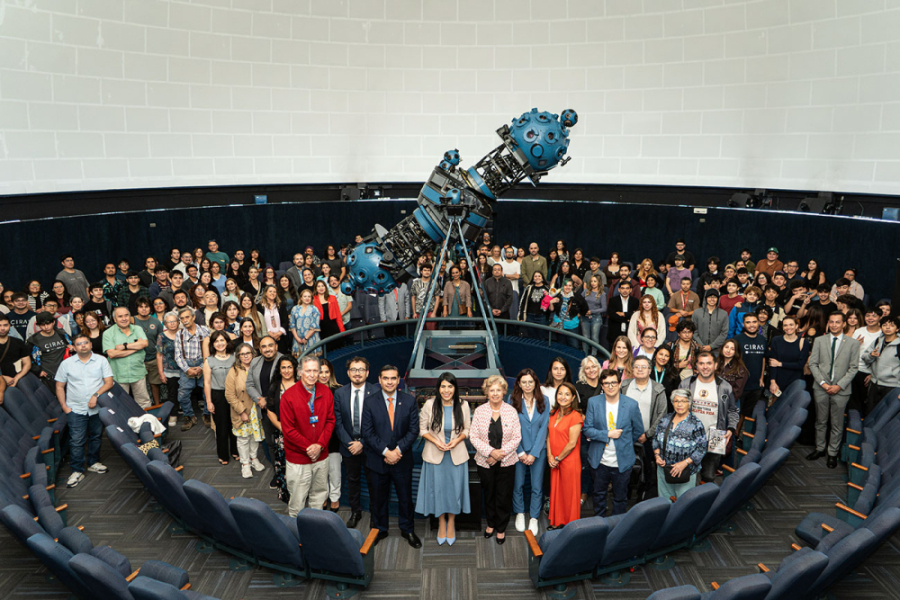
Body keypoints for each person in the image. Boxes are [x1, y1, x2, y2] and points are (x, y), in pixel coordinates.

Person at [361, 365, 422, 548]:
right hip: (377, 460)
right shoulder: (370, 402)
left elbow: (413, 431)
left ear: (398, 381)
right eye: (386, 378)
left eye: (393, 378)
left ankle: (408, 529)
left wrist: (398, 451)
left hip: (402, 460)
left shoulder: (409, 401)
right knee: (378, 498)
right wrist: (386, 452)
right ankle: (380, 529)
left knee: (405, 498)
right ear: (379, 380)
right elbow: (367, 432)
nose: (389, 382)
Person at [416, 372, 471, 545]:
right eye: (443, 386)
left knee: (454, 492)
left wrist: (456, 441)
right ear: (438, 388)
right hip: (435, 454)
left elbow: (467, 430)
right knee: (438, 491)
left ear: (455, 388)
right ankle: (441, 522)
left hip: (456, 455)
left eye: (450, 386)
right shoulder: (430, 405)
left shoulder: (463, 405)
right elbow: (422, 429)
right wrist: (436, 441)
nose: (446, 390)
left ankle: (452, 522)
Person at [54, 335, 114, 488]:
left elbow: (109, 382)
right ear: (73, 347)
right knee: (77, 440)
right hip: (75, 408)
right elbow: (60, 386)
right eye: (78, 344)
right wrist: (64, 406)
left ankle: (93, 462)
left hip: (97, 407)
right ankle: (77, 470)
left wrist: (96, 395)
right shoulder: (66, 364)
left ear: (91, 344)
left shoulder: (101, 360)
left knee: (96, 436)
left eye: (85, 343)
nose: (82, 346)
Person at [583, 369, 644, 516]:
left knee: (620, 498)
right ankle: (600, 525)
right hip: (599, 460)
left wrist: (624, 443)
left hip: (622, 461)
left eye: (613, 383)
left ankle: (617, 528)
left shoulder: (631, 404)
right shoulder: (593, 402)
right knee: (598, 495)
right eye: (606, 383)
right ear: (602, 386)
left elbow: (638, 430)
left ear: (619, 383)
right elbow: (587, 430)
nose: (610, 386)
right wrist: (607, 434)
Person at [470, 375, 521, 544]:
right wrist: (491, 453)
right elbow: (474, 437)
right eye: (491, 390)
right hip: (485, 462)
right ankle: (490, 524)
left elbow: (516, 438)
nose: (495, 393)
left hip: (507, 462)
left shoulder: (511, 411)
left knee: (503, 495)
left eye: (498, 390)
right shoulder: (479, 411)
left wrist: (500, 455)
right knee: (489, 494)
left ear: (504, 392)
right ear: (486, 392)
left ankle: (501, 527)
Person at [807, 311, 860, 468]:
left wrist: (839, 386)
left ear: (844, 324)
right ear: (828, 323)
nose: (834, 325)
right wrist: (823, 383)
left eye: (838, 322)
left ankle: (832, 453)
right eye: (832, 322)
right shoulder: (819, 340)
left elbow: (853, 368)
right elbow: (813, 364)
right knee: (820, 420)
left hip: (841, 390)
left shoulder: (853, 343)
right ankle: (820, 448)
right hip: (820, 387)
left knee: (836, 423)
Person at [333, 357, 380, 529]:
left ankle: (376, 516)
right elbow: (337, 423)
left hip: (370, 447)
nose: (357, 373)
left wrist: (363, 443)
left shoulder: (376, 392)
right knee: (352, 481)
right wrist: (349, 443)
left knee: (373, 482)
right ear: (348, 373)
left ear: (367, 373)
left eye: (361, 369)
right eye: (354, 369)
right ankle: (355, 512)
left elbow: (378, 424)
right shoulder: (340, 393)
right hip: (348, 447)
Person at [679, 352, 739, 482]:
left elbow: (733, 410)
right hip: (690, 435)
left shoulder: (725, 386)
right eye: (701, 363)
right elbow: (677, 409)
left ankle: (706, 501)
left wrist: (731, 429)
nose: (705, 367)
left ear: (715, 365)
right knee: (688, 476)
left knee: (709, 475)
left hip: (716, 436)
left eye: (709, 363)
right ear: (696, 366)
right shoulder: (686, 384)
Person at [621, 356, 667, 499]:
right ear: (632, 369)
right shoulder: (624, 386)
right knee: (624, 469)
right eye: (637, 367)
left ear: (649, 370)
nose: (640, 369)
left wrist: (647, 434)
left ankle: (642, 497)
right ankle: (625, 494)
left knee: (647, 470)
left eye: (644, 367)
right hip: (625, 437)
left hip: (648, 438)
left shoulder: (658, 389)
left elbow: (662, 414)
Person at [511, 368, 549, 537]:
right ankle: (520, 513)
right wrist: (520, 452)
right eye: (524, 382)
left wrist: (533, 453)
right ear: (519, 383)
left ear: (536, 383)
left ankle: (534, 516)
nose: (527, 385)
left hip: (537, 451)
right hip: (517, 450)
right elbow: (511, 428)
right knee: (517, 484)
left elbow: (544, 428)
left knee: (536, 486)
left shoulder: (545, 401)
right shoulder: (512, 400)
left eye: (530, 382)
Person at [653, 389, 707, 499]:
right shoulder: (665, 419)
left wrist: (684, 463)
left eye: (683, 401)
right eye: (676, 401)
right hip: (664, 470)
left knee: (683, 504)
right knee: (664, 502)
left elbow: (702, 448)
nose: (679, 404)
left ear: (689, 403)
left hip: (686, 472)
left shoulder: (696, 423)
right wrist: (657, 456)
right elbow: (655, 439)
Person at [226, 343, 268, 479]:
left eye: (248, 353)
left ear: (253, 354)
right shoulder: (234, 371)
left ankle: (253, 458)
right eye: (242, 354)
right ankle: (245, 464)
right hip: (242, 410)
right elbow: (229, 395)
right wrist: (242, 411)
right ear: (238, 356)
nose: (245, 356)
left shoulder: (258, 367)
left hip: (256, 409)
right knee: (243, 438)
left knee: (255, 437)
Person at [245, 335, 283, 483]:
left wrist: (269, 399)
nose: (267, 349)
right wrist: (259, 399)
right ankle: (278, 472)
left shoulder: (283, 361)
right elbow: (249, 384)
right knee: (271, 442)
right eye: (264, 347)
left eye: (270, 345)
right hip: (265, 409)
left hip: (282, 408)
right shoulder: (255, 362)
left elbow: (289, 383)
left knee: (286, 441)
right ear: (260, 349)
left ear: (276, 346)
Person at [546, 382, 583, 529]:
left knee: (569, 494)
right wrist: (549, 456)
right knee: (557, 492)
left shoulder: (575, 417)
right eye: (560, 393)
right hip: (554, 460)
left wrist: (557, 458)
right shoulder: (554, 413)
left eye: (567, 394)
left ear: (573, 397)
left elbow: (572, 443)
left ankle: (570, 526)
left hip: (568, 461)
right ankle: (557, 522)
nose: (563, 397)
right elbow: (548, 436)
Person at [264, 355, 298, 504]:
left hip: (301, 433)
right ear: (279, 369)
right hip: (282, 433)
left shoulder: (301, 384)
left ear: (295, 368)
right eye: (283, 367)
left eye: (289, 367)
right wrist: (282, 428)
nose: (286, 370)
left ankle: (301, 493)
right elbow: (270, 410)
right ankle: (286, 494)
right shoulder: (275, 386)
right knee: (283, 464)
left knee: (300, 465)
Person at [101, 306, 151, 407]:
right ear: (115, 319)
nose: (124, 319)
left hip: (138, 373)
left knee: (144, 402)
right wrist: (136, 348)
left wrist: (124, 346)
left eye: (126, 315)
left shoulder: (137, 329)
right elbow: (112, 354)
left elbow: (144, 344)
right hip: (119, 375)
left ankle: (146, 422)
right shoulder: (108, 333)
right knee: (120, 404)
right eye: (120, 316)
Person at [204, 331, 238, 465]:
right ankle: (223, 455)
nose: (220, 344)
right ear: (213, 344)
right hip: (218, 395)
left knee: (235, 423)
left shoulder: (235, 357)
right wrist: (208, 402)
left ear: (227, 342)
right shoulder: (209, 360)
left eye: (222, 340)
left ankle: (236, 450)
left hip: (233, 394)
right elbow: (206, 382)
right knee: (221, 427)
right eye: (216, 341)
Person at [174, 307, 210, 431]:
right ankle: (190, 417)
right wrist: (187, 369)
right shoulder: (179, 334)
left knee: (207, 391)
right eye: (182, 318)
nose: (184, 320)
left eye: (187, 317)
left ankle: (207, 414)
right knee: (182, 395)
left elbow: (210, 351)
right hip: (186, 365)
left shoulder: (204, 331)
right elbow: (177, 355)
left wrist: (201, 367)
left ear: (193, 317)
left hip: (203, 362)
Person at [862, 315, 900, 415]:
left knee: (885, 416)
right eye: (884, 325)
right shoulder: (877, 341)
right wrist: (871, 355)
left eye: (891, 325)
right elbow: (864, 357)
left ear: (897, 328)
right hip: (874, 384)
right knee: (870, 413)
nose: (887, 327)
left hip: (892, 386)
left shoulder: (899, 345)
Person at [317, 359, 342, 511]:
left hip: (334, 438)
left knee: (334, 472)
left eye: (327, 372)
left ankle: (334, 497)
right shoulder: (310, 390)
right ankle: (323, 497)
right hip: (317, 439)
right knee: (320, 472)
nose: (324, 375)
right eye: (321, 372)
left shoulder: (338, 391)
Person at [851, 308, 886, 414]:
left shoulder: (883, 334)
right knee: (854, 404)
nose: (870, 318)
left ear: (880, 317)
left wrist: (872, 374)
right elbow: (850, 352)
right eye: (868, 316)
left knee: (868, 405)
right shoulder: (858, 331)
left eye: (874, 316)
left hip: (872, 374)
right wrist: (854, 345)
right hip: (856, 369)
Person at [734, 314, 767, 426]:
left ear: (758, 324)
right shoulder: (737, 340)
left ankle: (739, 435)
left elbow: (763, 359)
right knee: (736, 412)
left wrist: (761, 378)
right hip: (740, 384)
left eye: (754, 322)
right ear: (743, 324)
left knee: (747, 413)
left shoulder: (762, 340)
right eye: (748, 322)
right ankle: (733, 437)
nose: (751, 325)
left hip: (756, 384)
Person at [767, 316, 810, 398]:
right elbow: (772, 364)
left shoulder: (803, 342)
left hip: (796, 381)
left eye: (791, 324)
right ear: (782, 327)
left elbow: (800, 365)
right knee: (776, 408)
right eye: (785, 325)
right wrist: (772, 382)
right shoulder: (776, 340)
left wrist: (780, 364)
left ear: (796, 326)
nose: (788, 327)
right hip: (779, 381)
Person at [132, 298, 162, 406]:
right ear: (137, 308)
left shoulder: (156, 322)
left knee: (155, 384)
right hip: (138, 359)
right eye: (141, 307)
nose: (144, 309)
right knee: (140, 386)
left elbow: (161, 340)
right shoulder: (132, 321)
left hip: (153, 358)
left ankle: (157, 407)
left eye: (146, 307)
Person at [547, 279, 588, 348]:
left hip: (572, 325)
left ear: (572, 287)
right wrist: (551, 302)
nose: (567, 287)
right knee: (561, 346)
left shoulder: (577, 297)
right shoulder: (558, 295)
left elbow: (585, 308)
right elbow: (551, 310)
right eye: (566, 285)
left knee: (574, 346)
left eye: (570, 285)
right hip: (559, 325)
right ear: (563, 286)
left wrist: (579, 314)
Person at [156, 313, 180, 414]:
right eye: (169, 322)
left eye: (174, 321)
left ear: (178, 322)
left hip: (184, 369)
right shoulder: (162, 336)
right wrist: (161, 373)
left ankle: (188, 415)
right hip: (170, 370)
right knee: (172, 393)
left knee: (185, 393)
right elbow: (159, 355)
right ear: (165, 324)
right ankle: (173, 414)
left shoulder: (183, 333)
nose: (172, 324)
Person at [692, 289, 728, 355]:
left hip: (717, 349)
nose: (712, 299)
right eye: (709, 297)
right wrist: (701, 345)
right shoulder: (697, 313)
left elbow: (724, 333)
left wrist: (711, 346)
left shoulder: (724, 314)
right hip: (699, 348)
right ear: (705, 298)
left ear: (718, 299)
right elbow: (694, 331)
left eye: (714, 297)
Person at [0, 314, 32, 387]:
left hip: (19, 380)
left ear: (10, 326)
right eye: (0, 325)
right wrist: (2, 378)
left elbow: (27, 363)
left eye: (5, 325)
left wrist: (17, 378)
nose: (2, 328)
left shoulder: (18, 342)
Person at [607, 280, 640, 348]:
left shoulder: (635, 301)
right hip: (615, 332)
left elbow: (636, 315)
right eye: (623, 288)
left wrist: (624, 314)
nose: (625, 290)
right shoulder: (613, 300)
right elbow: (612, 315)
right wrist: (627, 319)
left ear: (630, 290)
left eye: (627, 288)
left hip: (630, 332)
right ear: (619, 290)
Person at [580, 274, 607, 355]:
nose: (593, 283)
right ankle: (584, 354)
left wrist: (591, 311)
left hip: (596, 318)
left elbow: (604, 308)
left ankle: (594, 355)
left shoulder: (602, 294)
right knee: (585, 337)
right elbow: (580, 301)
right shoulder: (585, 291)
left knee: (594, 338)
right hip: (584, 317)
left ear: (599, 282)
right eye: (591, 281)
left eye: (595, 281)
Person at [518, 270, 549, 337]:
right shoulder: (529, 288)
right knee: (531, 338)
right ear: (533, 278)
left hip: (542, 317)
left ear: (542, 278)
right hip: (530, 316)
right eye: (535, 276)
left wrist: (548, 296)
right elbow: (522, 302)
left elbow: (550, 305)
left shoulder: (547, 289)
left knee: (542, 337)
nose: (537, 278)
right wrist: (521, 316)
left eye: (539, 276)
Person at [289, 289, 320, 357]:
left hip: (311, 339)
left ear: (311, 298)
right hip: (297, 340)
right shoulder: (295, 309)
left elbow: (314, 327)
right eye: (305, 296)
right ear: (301, 297)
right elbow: (292, 325)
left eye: (309, 296)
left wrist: (306, 338)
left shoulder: (315, 309)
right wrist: (297, 338)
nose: (307, 298)